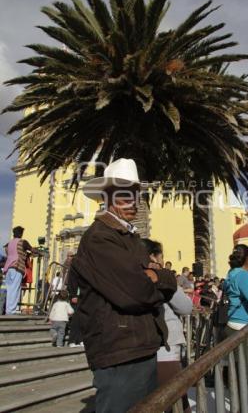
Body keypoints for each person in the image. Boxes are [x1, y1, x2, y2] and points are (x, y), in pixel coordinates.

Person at [72, 158, 177, 413]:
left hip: (136, 345)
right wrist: (156, 277)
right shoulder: (100, 238)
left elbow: (161, 279)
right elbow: (136, 291)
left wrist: (160, 276)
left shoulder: (127, 237)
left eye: (135, 194)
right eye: (124, 195)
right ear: (107, 197)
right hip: (120, 349)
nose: (133, 202)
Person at [142, 238, 192, 413]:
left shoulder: (128, 276)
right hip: (167, 343)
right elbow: (186, 307)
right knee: (175, 397)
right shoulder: (163, 277)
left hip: (140, 344)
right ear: (154, 257)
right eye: (161, 256)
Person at [3, 226, 34, 315]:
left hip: (8, 268)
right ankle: (11, 312)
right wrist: (36, 251)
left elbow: (9, 252)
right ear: (20, 233)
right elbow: (32, 249)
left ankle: (8, 310)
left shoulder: (8, 244)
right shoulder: (23, 242)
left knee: (10, 290)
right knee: (15, 289)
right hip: (17, 268)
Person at [67, 265, 83, 347]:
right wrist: (73, 295)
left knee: (82, 319)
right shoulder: (74, 269)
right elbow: (71, 283)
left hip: (82, 297)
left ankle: (80, 339)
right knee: (75, 319)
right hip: (75, 296)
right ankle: (72, 341)